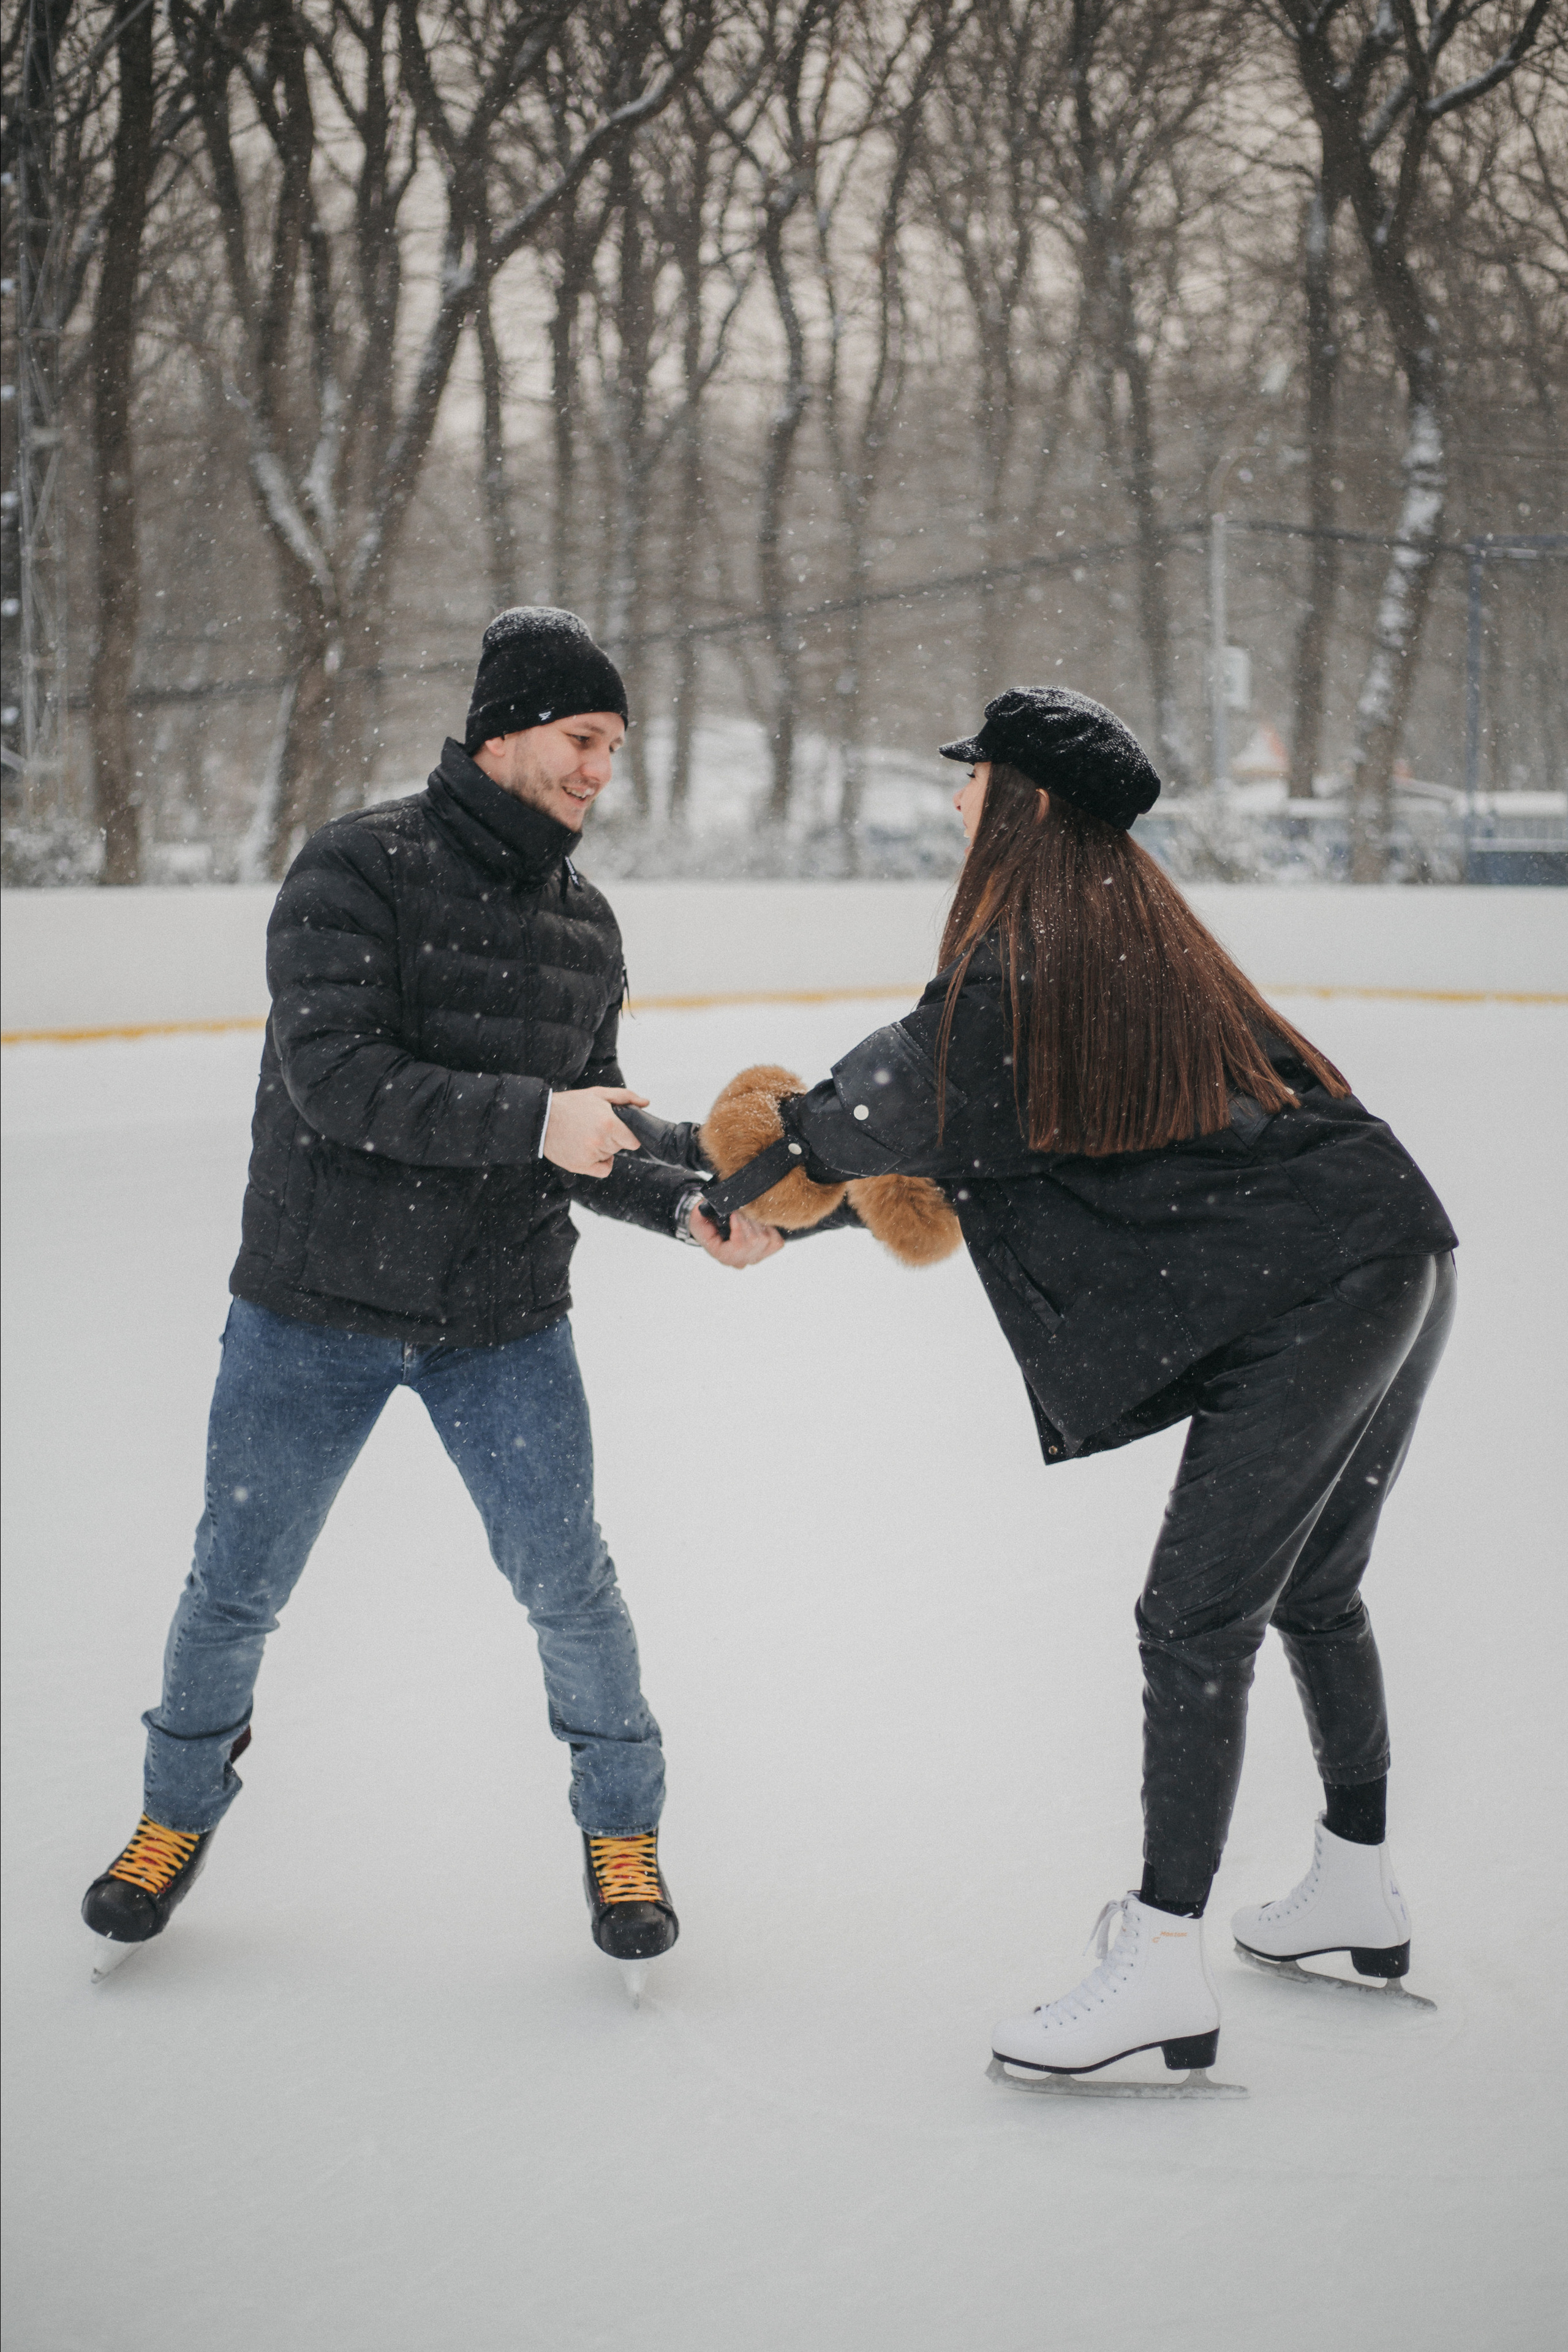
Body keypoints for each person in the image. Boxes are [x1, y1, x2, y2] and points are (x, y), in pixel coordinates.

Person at [695, 687, 1457, 2084]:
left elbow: (842, 1125)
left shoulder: (1024, 962)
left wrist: (726, 1179)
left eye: (971, 779)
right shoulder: (1131, 935)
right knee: (1313, 1587)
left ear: (1025, 802)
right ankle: (1355, 1880)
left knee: (1192, 1619)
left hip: (1318, 1289)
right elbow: (951, 1142)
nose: (954, 802)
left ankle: (1160, 1960)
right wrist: (800, 1197)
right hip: (1391, 1240)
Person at [82, 607, 782, 1981]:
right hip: (311, 1309)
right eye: (584, 739)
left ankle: (621, 1830)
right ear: (504, 732)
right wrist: (538, 1118)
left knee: (568, 1587)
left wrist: (691, 1197)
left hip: (499, 1324)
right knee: (235, 1586)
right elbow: (336, 1080)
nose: (601, 771)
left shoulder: (586, 924)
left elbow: (591, 1129)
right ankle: (173, 1814)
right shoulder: (355, 866)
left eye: (615, 747)